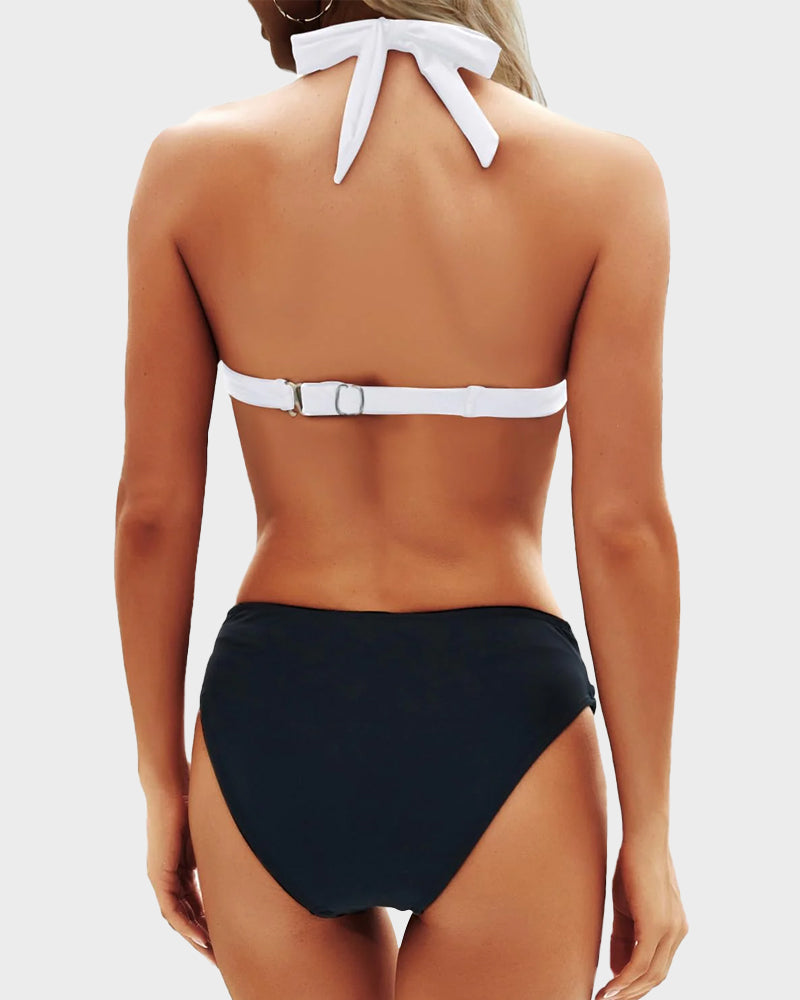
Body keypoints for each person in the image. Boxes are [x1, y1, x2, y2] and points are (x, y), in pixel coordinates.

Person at [114, 1, 688, 998]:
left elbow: (151, 511)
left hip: (270, 715)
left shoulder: (191, 164)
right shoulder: (605, 179)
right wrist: (650, 830)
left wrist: (162, 782)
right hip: (505, 716)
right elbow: (622, 529)